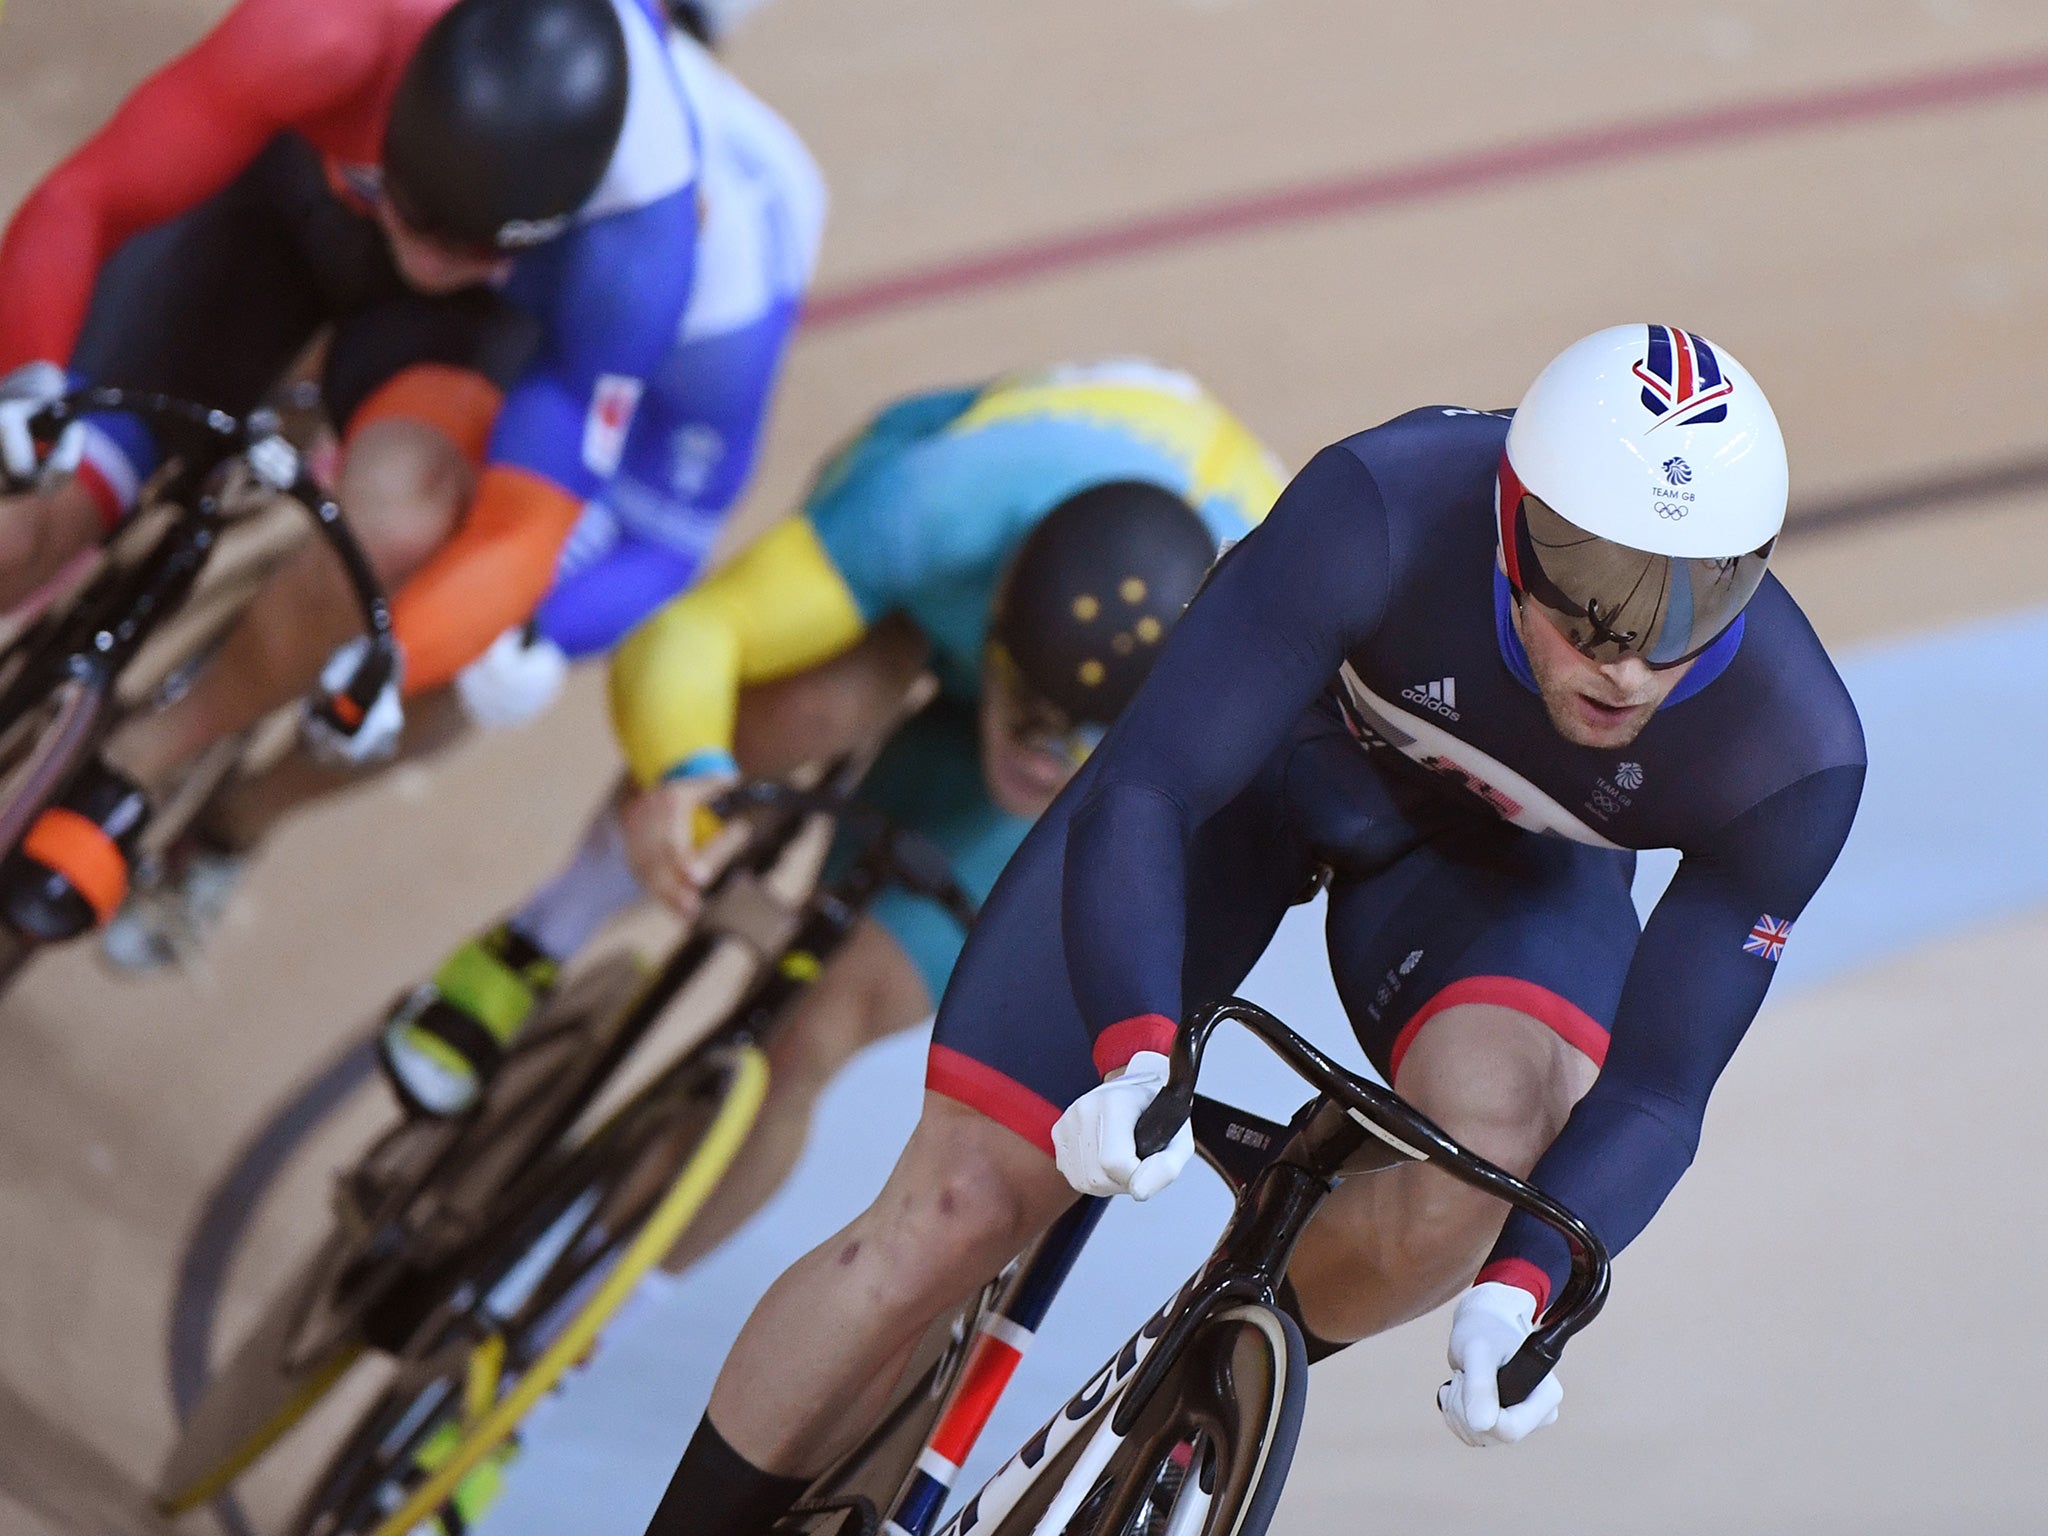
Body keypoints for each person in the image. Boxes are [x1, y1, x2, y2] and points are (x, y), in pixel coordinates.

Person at [638, 326, 1868, 1534]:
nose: (1634, 667)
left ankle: (1189, 1382)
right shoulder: (1381, 503)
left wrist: (1530, 1292)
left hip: (1496, 868)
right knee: (952, 1209)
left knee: (1484, 1169)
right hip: (1256, 775)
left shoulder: (1791, 755)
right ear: (1510, 526)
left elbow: (1656, 1091)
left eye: (1701, 598)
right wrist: (1133, 1045)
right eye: (1597, 599)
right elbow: (1149, 790)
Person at [96, 14, 828, 969]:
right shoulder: (550, 89)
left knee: (477, 668)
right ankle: (241, 447)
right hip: (500, 236)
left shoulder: (712, 326)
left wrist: (530, 629)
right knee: (364, 273)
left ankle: (237, 821)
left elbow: (662, 542)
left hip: (590, 372)